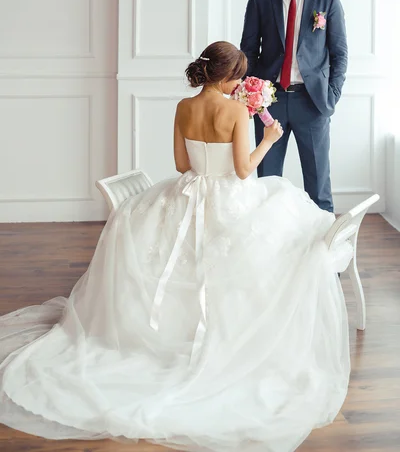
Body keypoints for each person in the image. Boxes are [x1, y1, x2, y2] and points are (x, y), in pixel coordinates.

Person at [0, 42, 351, 452]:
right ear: (224, 76)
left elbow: (182, 166)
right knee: (278, 236)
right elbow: (242, 170)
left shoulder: (184, 108)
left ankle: (175, 333)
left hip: (188, 192)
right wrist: (270, 138)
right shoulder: (236, 110)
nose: (240, 82)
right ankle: (240, 332)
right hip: (228, 197)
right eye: (237, 75)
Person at [240, 0, 348, 212]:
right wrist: (253, 95)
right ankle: (270, 245)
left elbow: (340, 53)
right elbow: (248, 50)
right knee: (268, 181)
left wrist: (331, 94)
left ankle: (324, 251)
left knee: (318, 182)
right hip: (270, 102)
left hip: (312, 101)